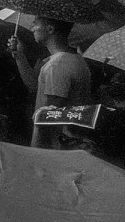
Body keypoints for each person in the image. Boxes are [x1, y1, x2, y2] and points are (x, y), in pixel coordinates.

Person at [9, 16, 93, 148]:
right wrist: (19, 56)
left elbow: (48, 116)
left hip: (56, 146)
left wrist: (35, 151)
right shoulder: (71, 58)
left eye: (36, 24)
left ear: (50, 29)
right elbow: (34, 86)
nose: (32, 28)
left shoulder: (58, 65)